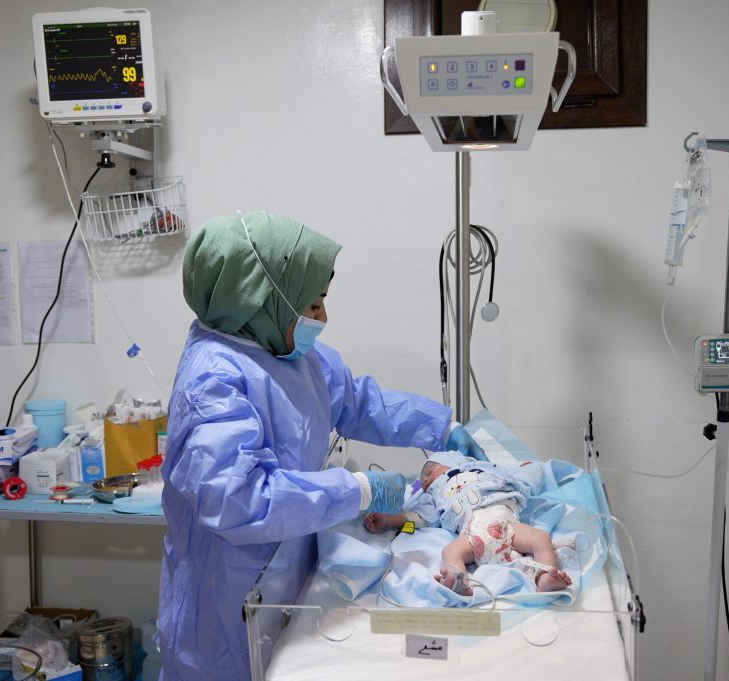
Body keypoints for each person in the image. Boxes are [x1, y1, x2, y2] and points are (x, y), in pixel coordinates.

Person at [157, 210, 486, 681]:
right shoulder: (213, 380)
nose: (323, 318)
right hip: (227, 604)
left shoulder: (286, 353)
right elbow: (240, 500)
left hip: (287, 577)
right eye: (312, 305)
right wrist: (358, 491)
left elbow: (356, 400)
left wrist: (440, 425)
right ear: (261, 301)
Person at [362, 451, 573, 596]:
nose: (425, 481)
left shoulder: (489, 472)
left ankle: (546, 576)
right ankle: (458, 580)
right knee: (450, 552)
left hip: (507, 524)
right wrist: (389, 521)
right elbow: (417, 520)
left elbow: (526, 480)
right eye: (423, 478)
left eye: (430, 471)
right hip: (471, 533)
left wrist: (528, 467)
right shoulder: (435, 494)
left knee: (540, 538)